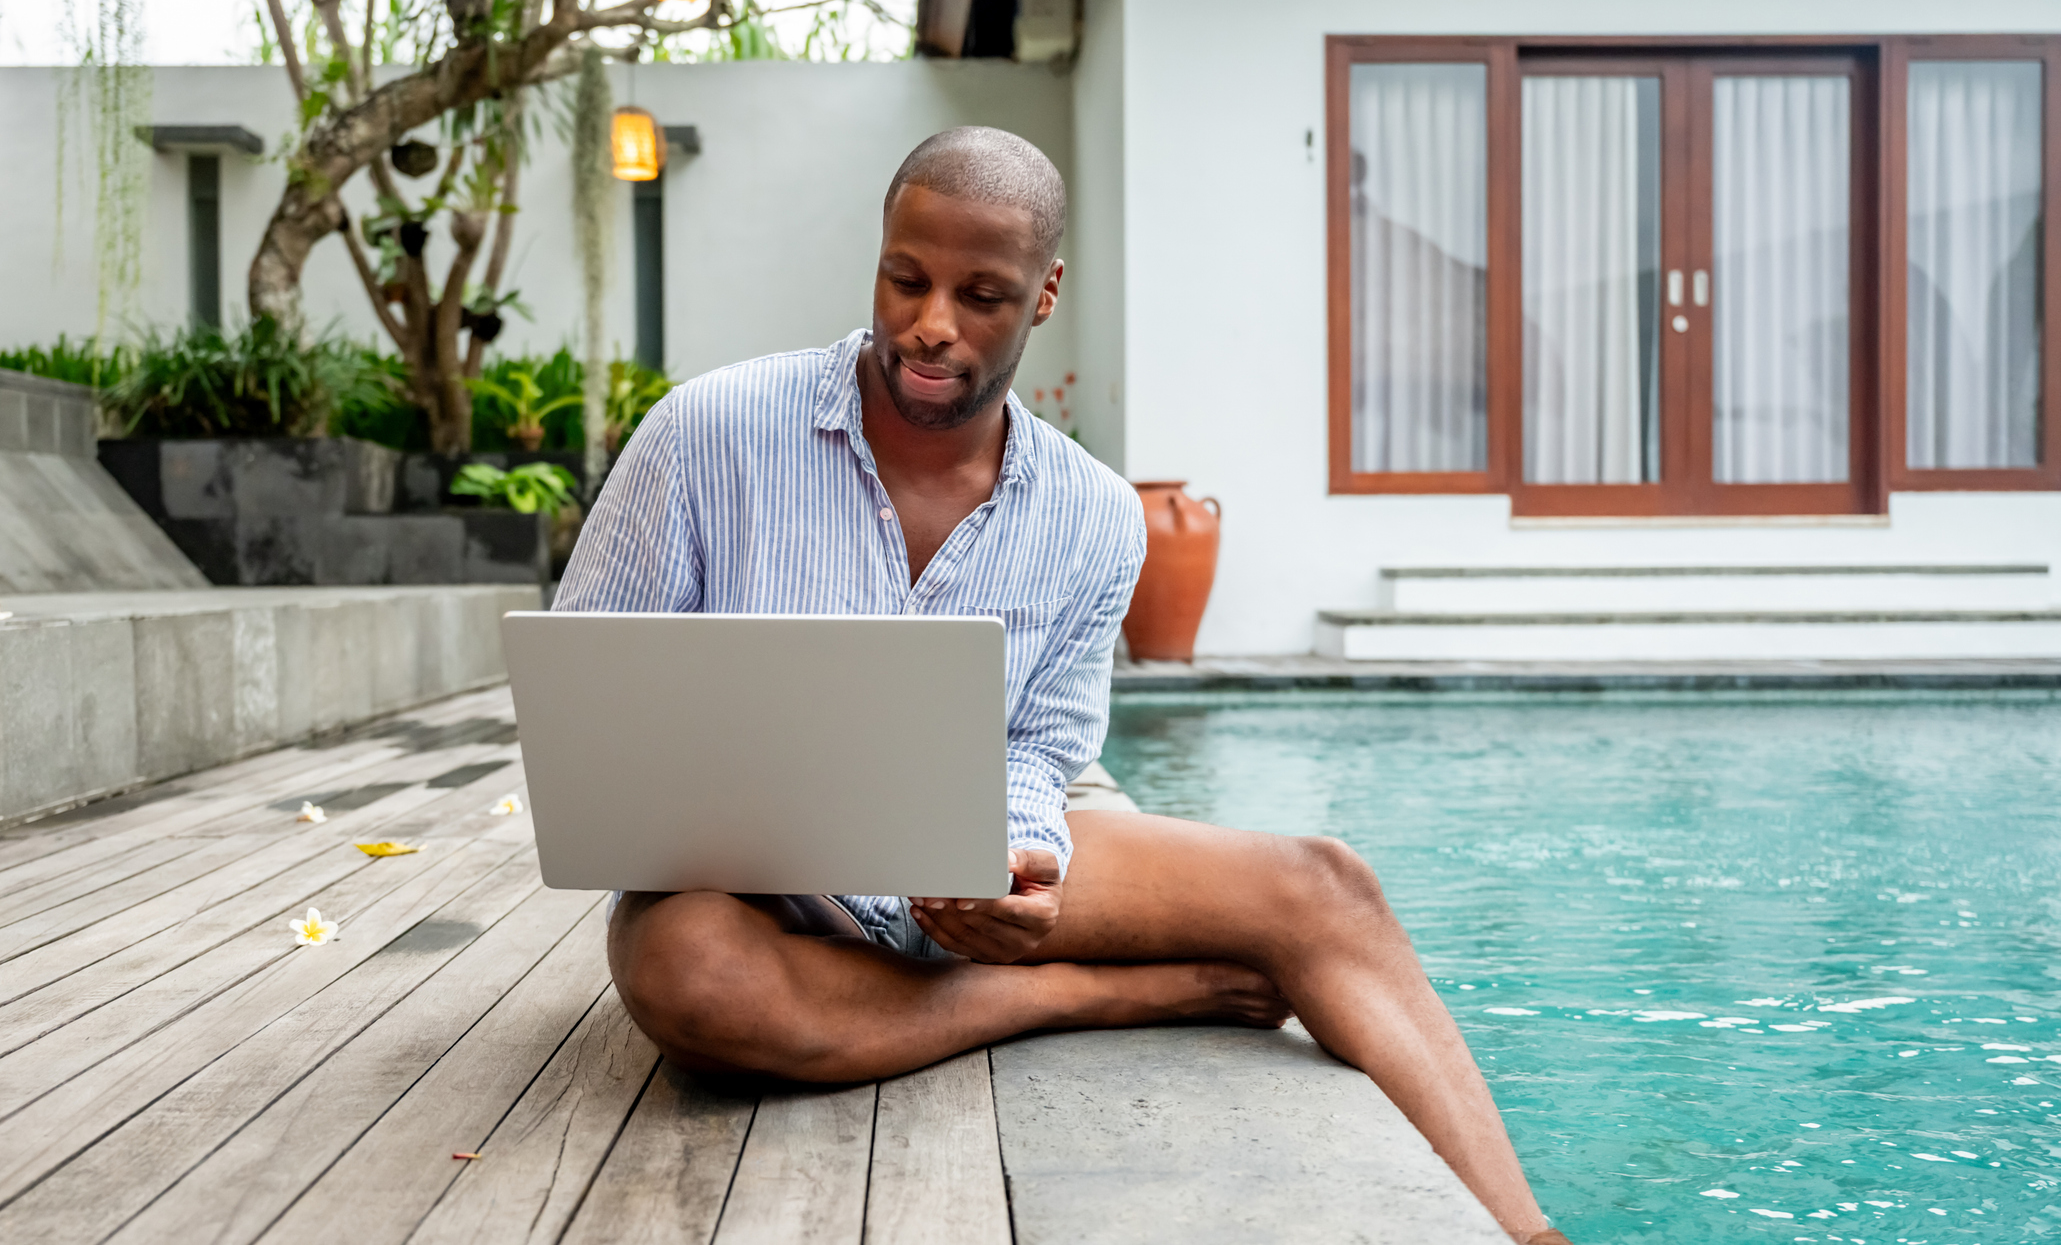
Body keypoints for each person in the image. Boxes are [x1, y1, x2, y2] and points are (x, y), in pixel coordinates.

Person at [553, 126, 1571, 1245]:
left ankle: (1529, 1235)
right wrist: (1071, 972)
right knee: (691, 977)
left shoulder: (1093, 514)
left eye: (980, 295)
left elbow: (1040, 746)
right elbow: (588, 689)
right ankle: (1082, 995)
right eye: (905, 279)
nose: (930, 323)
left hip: (958, 869)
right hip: (747, 879)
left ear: (1042, 295)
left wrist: (1020, 859)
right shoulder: (705, 433)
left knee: (1325, 886)